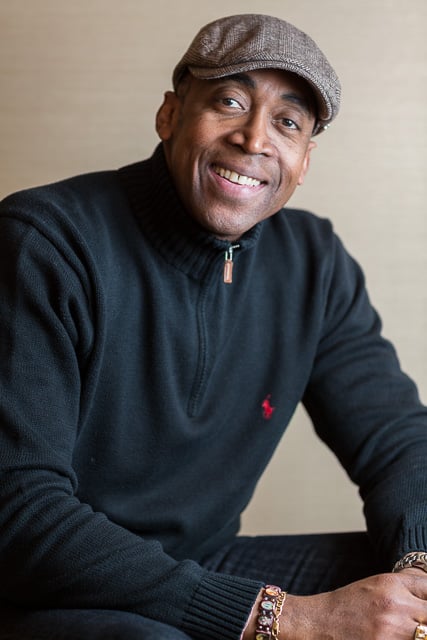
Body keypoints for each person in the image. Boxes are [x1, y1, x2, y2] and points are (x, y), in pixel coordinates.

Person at [0, 12, 427, 640]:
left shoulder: (314, 263)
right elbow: (18, 511)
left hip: (203, 566)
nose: (254, 139)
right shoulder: (46, 242)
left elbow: (396, 437)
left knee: (402, 598)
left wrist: (419, 566)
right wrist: (278, 618)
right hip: (46, 588)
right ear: (170, 115)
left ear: (304, 161)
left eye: (287, 122)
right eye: (230, 102)